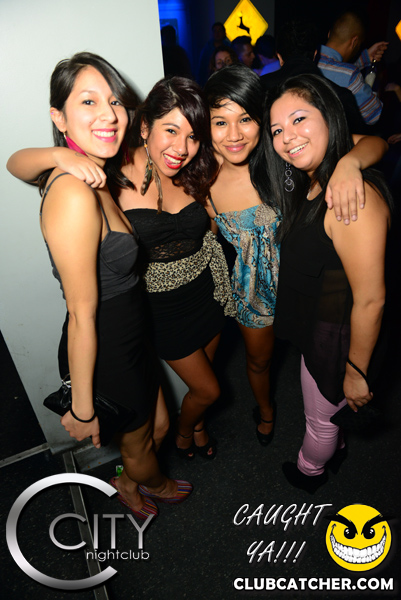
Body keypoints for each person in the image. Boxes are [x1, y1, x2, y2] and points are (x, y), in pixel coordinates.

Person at [9, 75, 235, 461]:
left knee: (206, 380)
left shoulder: (198, 167)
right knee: (208, 390)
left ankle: (197, 424)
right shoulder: (110, 169)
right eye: (170, 130)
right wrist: (59, 156)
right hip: (159, 309)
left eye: (193, 136)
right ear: (145, 127)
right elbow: (16, 163)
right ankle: (186, 430)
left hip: (206, 291)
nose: (182, 147)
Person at [7, 52, 192, 517]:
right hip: (106, 348)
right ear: (59, 117)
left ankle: (130, 478)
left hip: (131, 335)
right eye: (88, 101)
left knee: (160, 425)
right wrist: (83, 407)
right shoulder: (73, 191)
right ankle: (146, 484)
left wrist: (60, 154)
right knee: (141, 444)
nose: (109, 114)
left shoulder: (95, 172)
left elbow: (16, 162)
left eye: (114, 101)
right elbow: (81, 313)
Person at [203, 65, 388, 446]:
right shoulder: (201, 177)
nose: (234, 134)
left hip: (307, 282)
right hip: (255, 291)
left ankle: (322, 441)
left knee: (317, 366)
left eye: (246, 119)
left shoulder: (282, 157)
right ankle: (266, 410)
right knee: (260, 361)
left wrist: (350, 163)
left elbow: (374, 141)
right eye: (219, 122)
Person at [264, 73, 392, 492]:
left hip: (335, 337)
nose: (287, 137)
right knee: (326, 414)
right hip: (320, 320)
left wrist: (356, 372)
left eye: (299, 119)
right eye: (277, 130)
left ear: (329, 116)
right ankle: (335, 451)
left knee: (320, 420)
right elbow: (376, 141)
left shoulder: (350, 199)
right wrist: (351, 161)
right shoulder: (327, 171)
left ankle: (309, 473)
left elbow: (371, 300)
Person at [317, 11, 388, 125]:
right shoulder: (350, 76)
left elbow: (335, 71)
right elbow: (375, 115)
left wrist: (365, 58)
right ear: (354, 42)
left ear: (329, 34)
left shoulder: (309, 58)